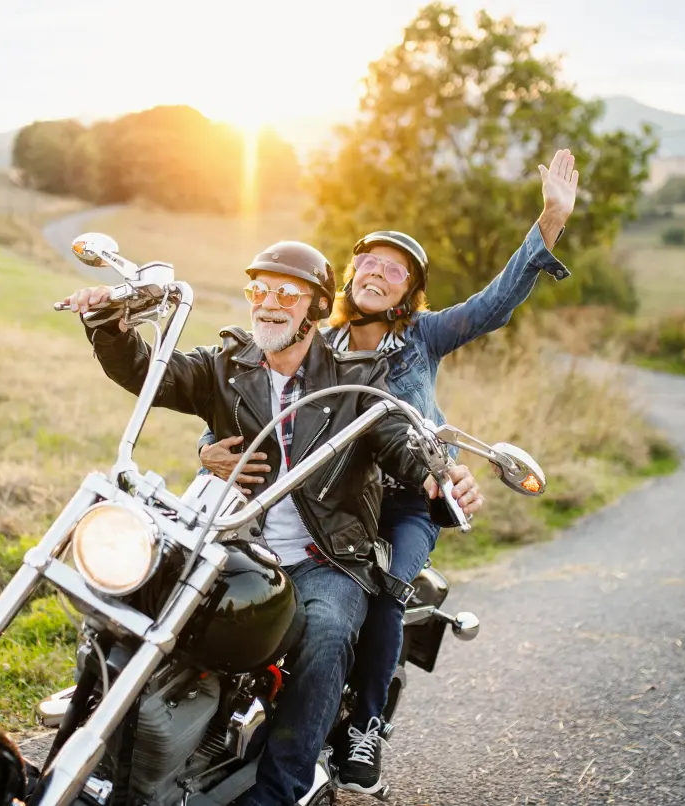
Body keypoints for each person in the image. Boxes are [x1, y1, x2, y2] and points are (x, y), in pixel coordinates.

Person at [196, 148, 580, 795]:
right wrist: (209, 449)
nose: (378, 271)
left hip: (408, 498)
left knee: (389, 590)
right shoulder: (322, 342)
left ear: (408, 292)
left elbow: (492, 305)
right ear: (349, 278)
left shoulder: (424, 337)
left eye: (395, 269)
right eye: (368, 261)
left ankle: (366, 722)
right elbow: (254, 399)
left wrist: (548, 222)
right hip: (333, 493)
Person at [59, 240, 484, 806]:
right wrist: (107, 325)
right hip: (232, 541)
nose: (269, 302)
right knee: (132, 596)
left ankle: (279, 790)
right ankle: (101, 742)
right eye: (260, 288)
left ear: (314, 309)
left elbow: (401, 447)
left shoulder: (356, 380)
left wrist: (442, 477)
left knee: (328, 634)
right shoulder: (227, 365)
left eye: (288, 293)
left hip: (323, 557)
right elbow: (148, 373)